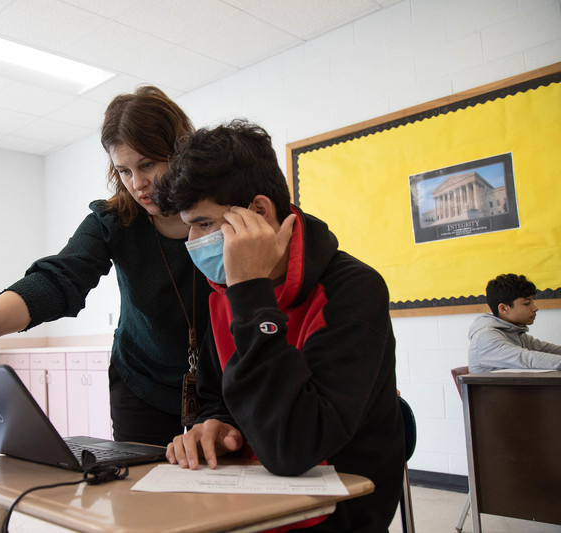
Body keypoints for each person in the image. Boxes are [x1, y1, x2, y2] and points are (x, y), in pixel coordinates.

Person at [155, 120, 404, 532]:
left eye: (203, 224)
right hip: (244, 491)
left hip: (334, 507)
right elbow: (219, 396)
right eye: (189, 227)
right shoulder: (220, 291)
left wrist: (252, 294)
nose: (193, 241)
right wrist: (216, 425)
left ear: (257, 212)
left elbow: (296, 446)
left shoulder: (354, 289)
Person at [0, 86, 212, 447]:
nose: (137, 184)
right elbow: (57, 280)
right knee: (142, 490)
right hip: (140, 381)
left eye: (148, 165)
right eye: (123, 170)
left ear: (179, 152)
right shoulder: (114, 220)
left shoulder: (220, 216)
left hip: (219, 382)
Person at [468, 273, 561, 373]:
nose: (535, 308)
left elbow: (545, 349)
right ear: (503, 308)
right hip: (497, 389)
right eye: (526, 303)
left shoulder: (514, 333)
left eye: (532, 302)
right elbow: (527, 358)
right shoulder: (485, 337)